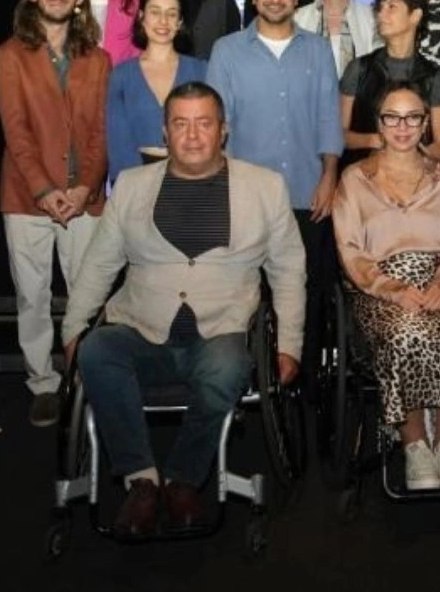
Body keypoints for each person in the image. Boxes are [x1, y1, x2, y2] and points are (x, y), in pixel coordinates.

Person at [62, 82, 306, 537]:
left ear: (223, 130)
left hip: (222, 331)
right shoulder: (131, 186)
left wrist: (289, 344)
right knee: (96, 351)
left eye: (204, 123)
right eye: (181, 124)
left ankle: (183, 480)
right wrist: (74, 327)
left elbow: (289, 271)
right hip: (140, 327)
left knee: (228, 365)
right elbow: (99, 264)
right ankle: (141, 480)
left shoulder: (266, 187)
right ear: (165, 131)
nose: (192, 136)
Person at [332, 83, 440, 490]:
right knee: (404, 332)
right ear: (379, 124)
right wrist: (393, 289)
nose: (402, 127)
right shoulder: (354, 179)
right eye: (392, 118)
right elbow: (350, 252)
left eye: (412, 118)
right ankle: (415, 445)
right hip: (379, 286)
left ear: (425, 125)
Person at [206, 0, 343, 395]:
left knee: (308, 296)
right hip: (246, 200)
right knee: (248, 297)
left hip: (307, 194)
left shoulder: (317, 49)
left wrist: (330, 176)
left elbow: (328, 117)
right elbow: (216, 127)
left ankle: (306, 386)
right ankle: (250, 383)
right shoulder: (227, 51)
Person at [0, 0, 111, 427]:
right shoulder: (10, 55)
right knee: (33, 296)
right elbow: (15, 131)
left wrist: (84, 188)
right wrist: (45, 190)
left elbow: (101, 132)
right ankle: (43, 382)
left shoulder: (98, 59)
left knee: (87, 294)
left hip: (84, 199)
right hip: (27, 199)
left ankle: (83, 378)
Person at [106, 0, 208, 184]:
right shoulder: (121, 75)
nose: (163, 21)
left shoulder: (202, 70)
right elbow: (118, 143)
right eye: (155, 12)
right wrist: (133, 187)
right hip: (135, 180)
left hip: (193, 179)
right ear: (141, 17)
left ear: (180, 22)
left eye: (171, 14)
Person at [339, 0, 440, 167]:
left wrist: (412, 155)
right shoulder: (359, 69)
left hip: (416, 177)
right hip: (364, 174)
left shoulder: (432, 76)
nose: (381, 15)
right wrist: (375, 140)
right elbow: (338, 135)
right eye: (380, 8)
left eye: (392, 7)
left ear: (415, 16)